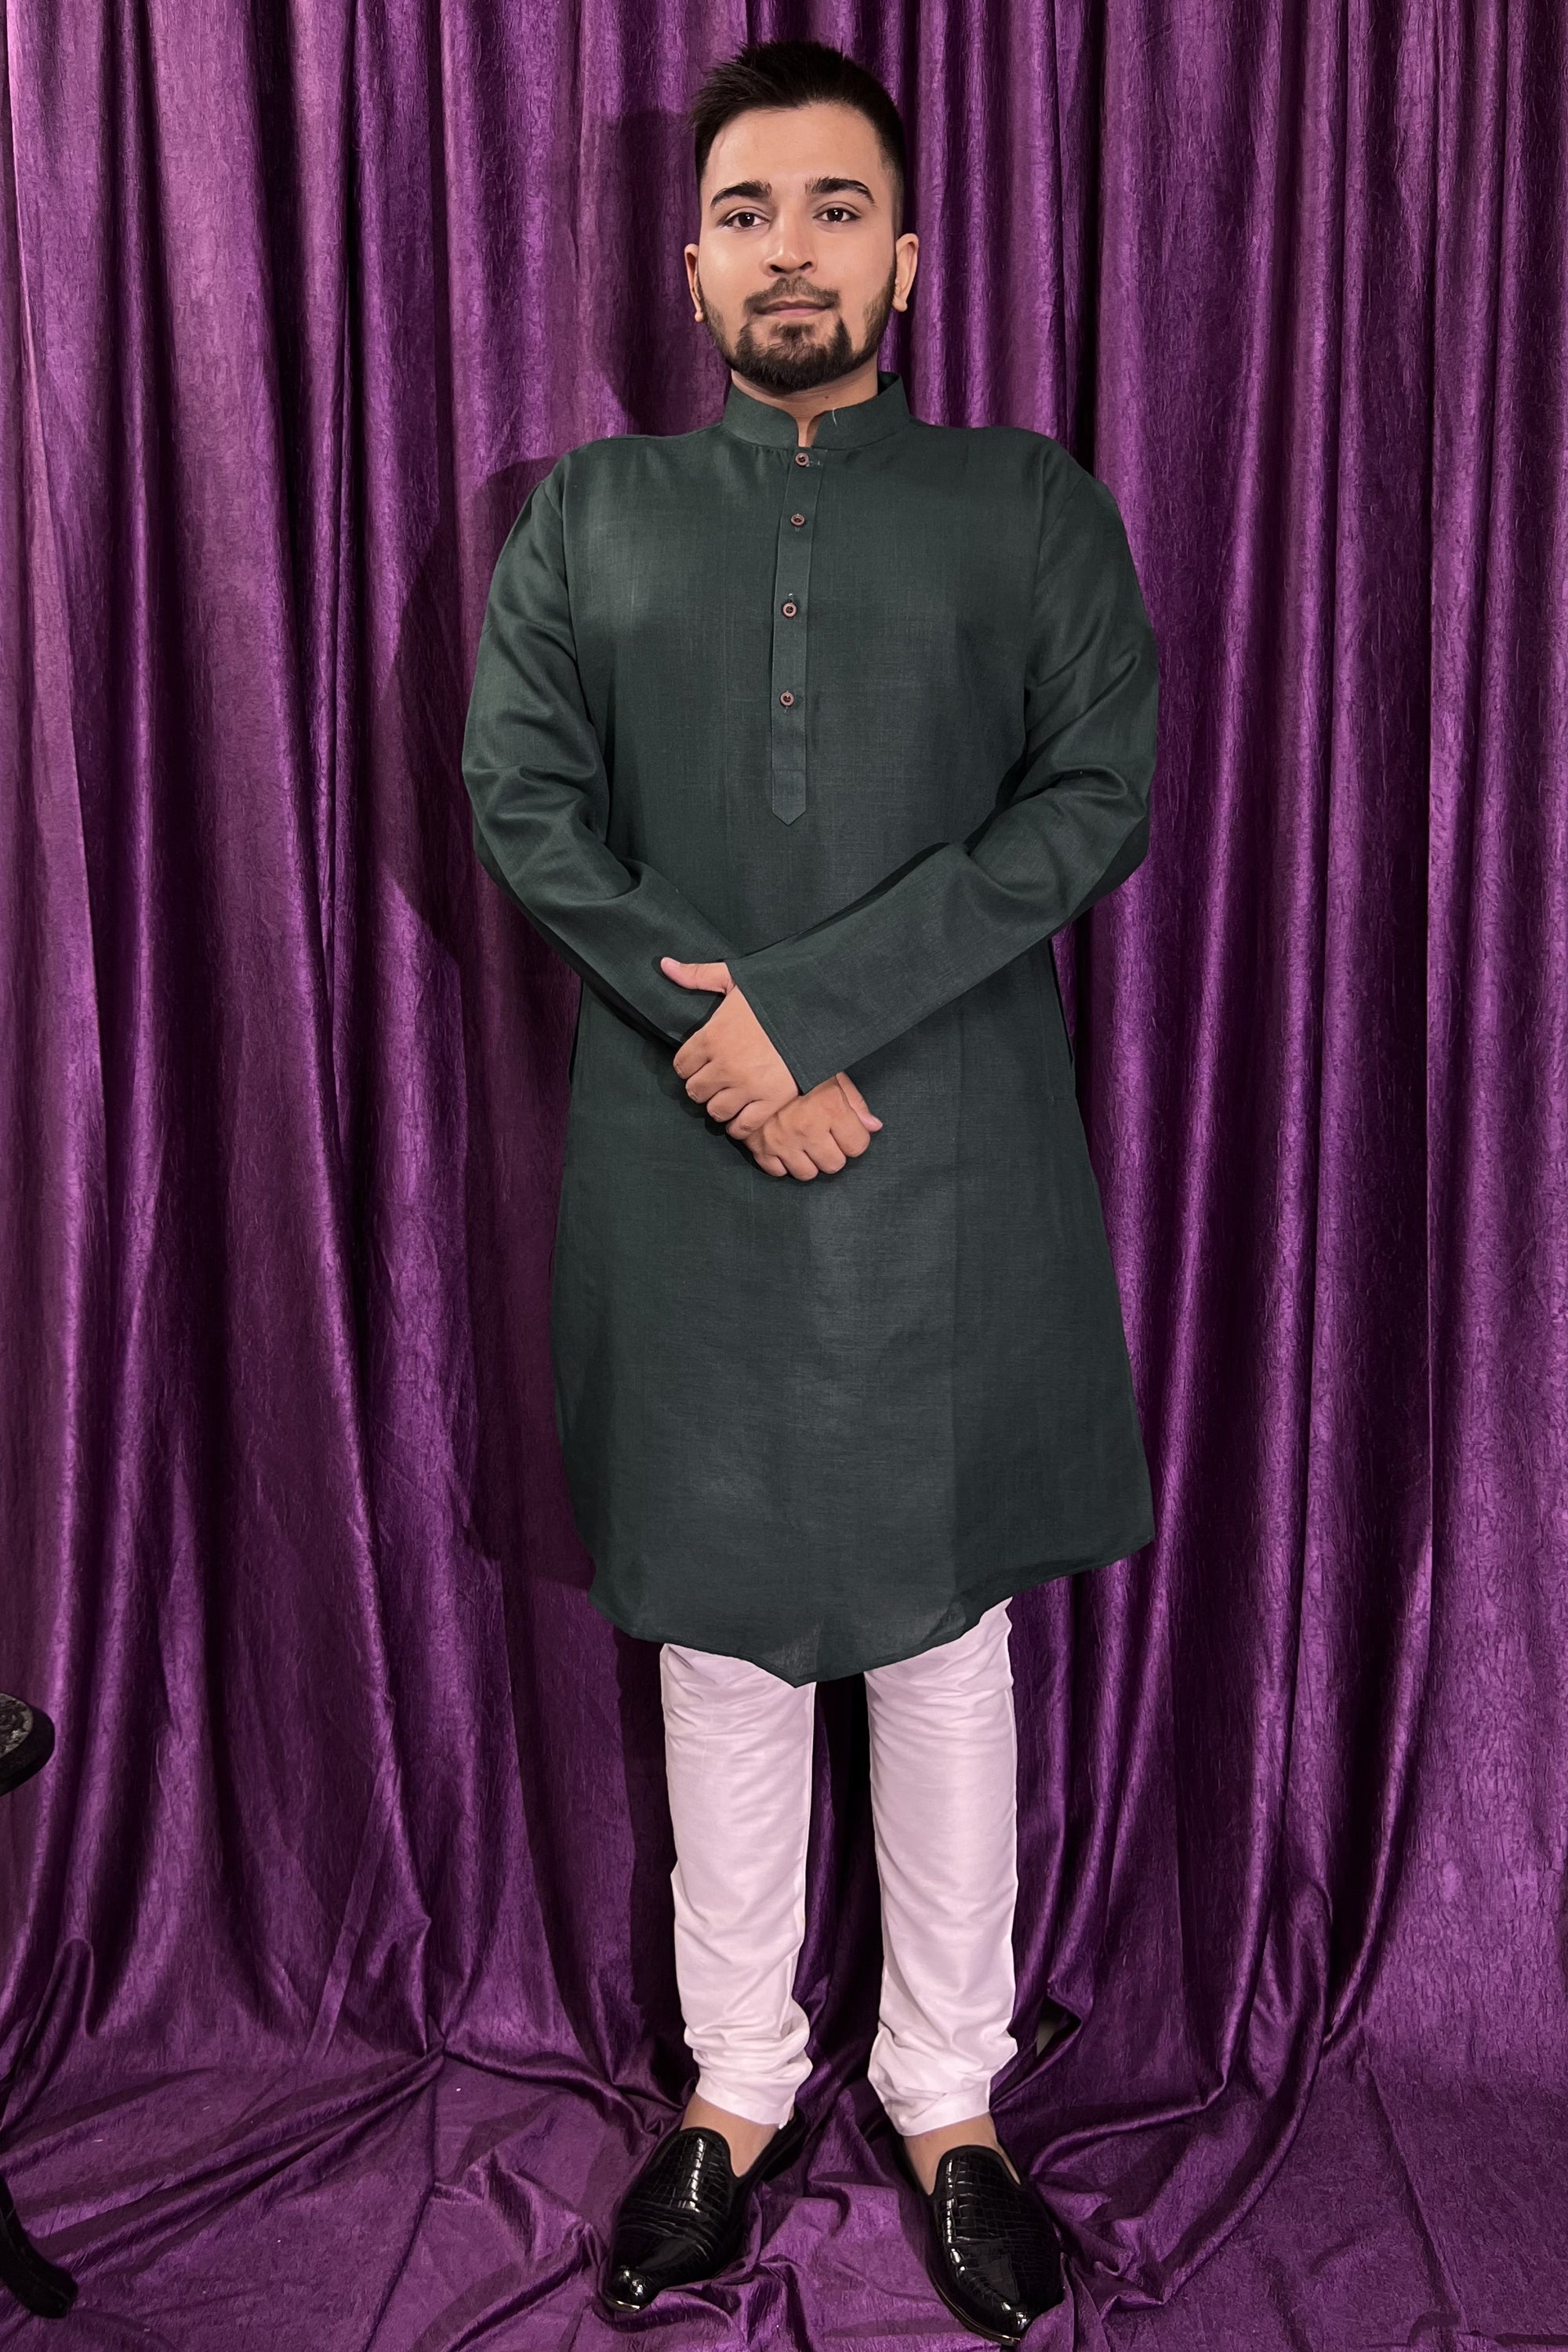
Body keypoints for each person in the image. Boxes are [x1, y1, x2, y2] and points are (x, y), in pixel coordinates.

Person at [462, 36, 1158, 2344]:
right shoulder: (586, 516)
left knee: (947, 1636)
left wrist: (815, 1015)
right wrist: (732, 1045)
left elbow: (1095, 792)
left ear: (909, 258)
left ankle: (951, 2102)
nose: (791, 250)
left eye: (836, 208)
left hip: (946, 1155)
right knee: (723, 1632)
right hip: (687, 1155)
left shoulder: (1028, 503)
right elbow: (524, 802)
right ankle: (737, 2088)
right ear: (689, 267)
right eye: (747, 211)